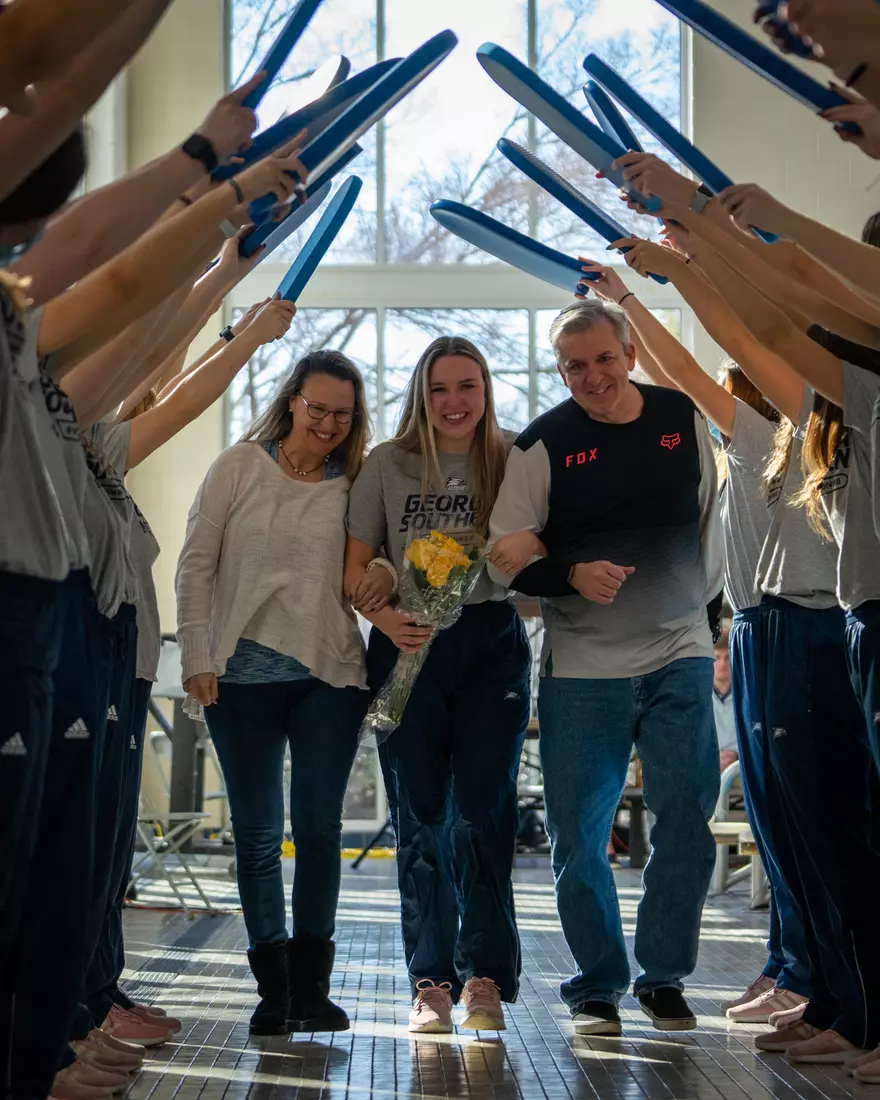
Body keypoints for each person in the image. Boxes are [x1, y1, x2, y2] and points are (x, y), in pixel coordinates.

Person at [623, 214, 880, 1064]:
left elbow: (733, 343)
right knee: (793, 828)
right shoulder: (795, 431)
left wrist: (684, 262)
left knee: (830, 825)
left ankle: (844, 995)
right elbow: (723, 351)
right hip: (779, 625)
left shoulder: (806, 416)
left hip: (813, 626)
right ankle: (821, 984)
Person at [576, 250, 812, 1024]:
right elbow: (680, 378)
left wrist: (631, 296)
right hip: (754, 626)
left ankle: (811, 972)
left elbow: (678, 372)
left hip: (794, 620)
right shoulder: (751, 444)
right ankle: (791, 963)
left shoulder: (774, 430)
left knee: (798, 812)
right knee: (774, 813)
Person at [487, 299, 724, 1037]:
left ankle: (663, 976)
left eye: (604, 359)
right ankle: (596, 984)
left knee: (686, 816)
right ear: (560, 371)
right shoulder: (542, 444)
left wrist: (708, 621)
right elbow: (503, 557)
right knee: (579, 835)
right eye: (574, 366)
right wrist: (568, 574)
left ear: (630, 354)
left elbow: (711, 523)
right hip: (583, 669)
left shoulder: (682, 417)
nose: (593, 376)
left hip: (680, 652)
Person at [175, 349, 370, 1037]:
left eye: (342, 414)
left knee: (317, 830)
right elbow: (195, 564)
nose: (328, 423)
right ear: (292, 400)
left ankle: (313, 990)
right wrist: (196, 654)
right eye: (317, 408)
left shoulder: (355, 481)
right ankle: (273, 991)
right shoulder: (237, 466)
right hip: (238, 680)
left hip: (328, 675)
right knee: (257, 834)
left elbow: (368, 564)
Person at [344, 336, 531, 1035]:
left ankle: (484, 978)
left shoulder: (515, 458)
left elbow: (544, 541)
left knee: (484, 812)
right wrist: (385, 617)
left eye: (467, 386)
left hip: (490, 644)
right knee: (419, 814)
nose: (454, 402)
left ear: (487, 390)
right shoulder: (386, 464)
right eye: (439, 388)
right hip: (406, 644)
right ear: (421, 395)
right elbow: (355, 564)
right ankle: (431, 983)